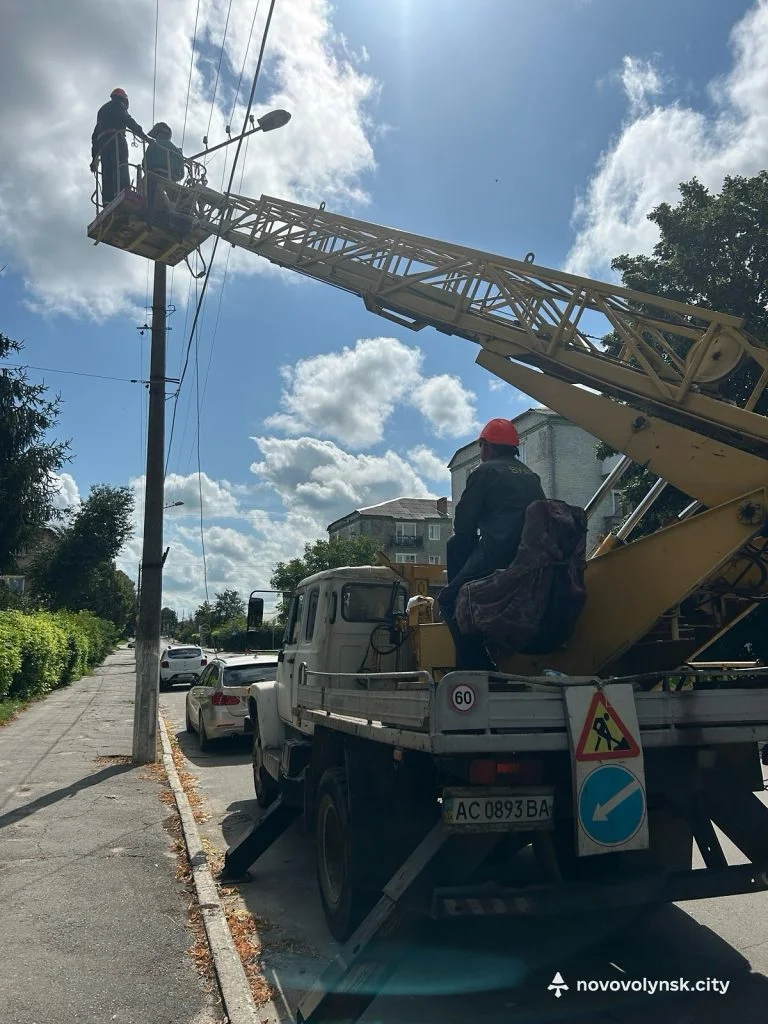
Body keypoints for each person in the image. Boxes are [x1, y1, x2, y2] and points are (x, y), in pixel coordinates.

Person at [438, 417, 545, 670]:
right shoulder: (532, 477)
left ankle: (477, 667)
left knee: (449, 599)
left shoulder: (484, 472)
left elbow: (464, 525)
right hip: (531, 559)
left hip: (496, 552)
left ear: (485, 446)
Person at [90, 88, 149, 205]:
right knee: (120, 165)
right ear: (124, 100)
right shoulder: (119, 105)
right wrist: (143, 136)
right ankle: (122, 190)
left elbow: (94, 136)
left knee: (107, 171)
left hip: (103, 145)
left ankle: (107, 200)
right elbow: (128, 120)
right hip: (116, 139)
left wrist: (94, 159)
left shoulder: (102, 111)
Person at [142, 122, 186, 225]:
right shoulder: (177, 151)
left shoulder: (154, 145)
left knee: (142, 184)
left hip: (154, 177)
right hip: (172, 183)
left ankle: (149, 214)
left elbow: (145, 165)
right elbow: (182, 174)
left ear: (158, 134)